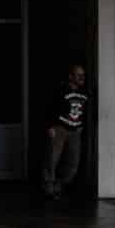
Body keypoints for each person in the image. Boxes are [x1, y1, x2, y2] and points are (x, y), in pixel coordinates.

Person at [43, 64, 90, 199]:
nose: (81, 77)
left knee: (73, 164)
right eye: (78, 75)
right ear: (70, 76)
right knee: (51, 159)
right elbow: (49, 107)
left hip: (75, 131)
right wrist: (50, 126)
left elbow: (86, 110)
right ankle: (48, 188)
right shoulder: (61, 90)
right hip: (59, 129)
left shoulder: (84, 92)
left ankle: (59, 185)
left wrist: (82, 126)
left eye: (83, 75)